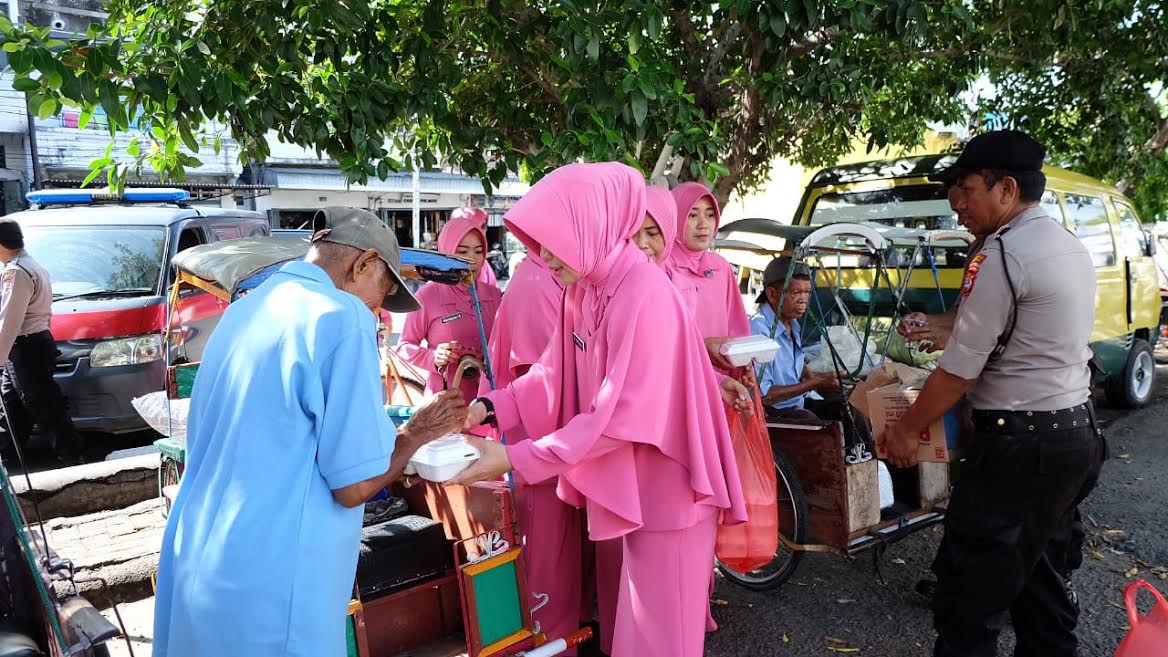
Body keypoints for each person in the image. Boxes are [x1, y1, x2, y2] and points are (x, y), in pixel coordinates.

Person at [450, 162, 747, 657]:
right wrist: (486, 406)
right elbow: (552, 377)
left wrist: (515, 457)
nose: (543, 254)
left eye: (553, 240)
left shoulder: (646, 294)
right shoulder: (585, 289)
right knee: (633, 638)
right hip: (637, 488)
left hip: (670, 494)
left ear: (592, 228)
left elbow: (619, 419)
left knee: (660, 642)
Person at [153, 208, 467, 657]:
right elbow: (355, 484)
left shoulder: (245, 309)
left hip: (200, 560)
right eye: (380, 295)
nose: (377, 311)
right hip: (271, 580)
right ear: (364, 263)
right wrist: (417, 432)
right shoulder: (341, 315)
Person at [881, 131, 1105, 657]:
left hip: (1020, 453)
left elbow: (959, 371)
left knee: (969, 604)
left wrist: (907, 430)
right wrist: (941, 326)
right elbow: (1005, 326)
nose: (956, 204)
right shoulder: (1064, 243)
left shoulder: (1003, 253)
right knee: (1039, 590)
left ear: (1006, 189)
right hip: (1073, 437)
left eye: (966, 189)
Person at [477, 211, 577, 651]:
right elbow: (538, 378)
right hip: (542, 444)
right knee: (546, 562)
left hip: (555, 443)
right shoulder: (538, 283)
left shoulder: (564, 280)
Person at [395, 207, 502, 402]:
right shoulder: (428, 296)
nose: (472, 259)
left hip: (487, 401)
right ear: (447, 250)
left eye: (479, 251)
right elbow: (404, 346)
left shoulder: (494, 296)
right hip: (445, 400)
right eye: (462, 251)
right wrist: (433, 357)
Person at [0, 219, 84, 465]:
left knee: (44, 406)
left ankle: (72, 458)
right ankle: (6, 458)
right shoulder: (30, 265)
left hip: (26, 346)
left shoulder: (16, 271)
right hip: (30, 344)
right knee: (12, 407)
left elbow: (9, 319)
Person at [669, 183, 751, 369]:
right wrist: (703, 347)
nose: (703, 225)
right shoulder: (663, 268)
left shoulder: (720, 267)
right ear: (675, 217)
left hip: (723, 375)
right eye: (692, 215)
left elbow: (737, 329)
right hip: (681, 373)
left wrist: (744, 365)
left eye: (710, 215)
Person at [750, 256, 841, 420]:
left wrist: (813, 377)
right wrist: (815, 383)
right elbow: (765, 396)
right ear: (772, 294)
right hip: (772, 412)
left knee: (848, 409)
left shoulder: (791, 323)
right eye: (796, 293)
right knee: (812, 423)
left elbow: (793, 363)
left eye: (807, 293)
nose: (803, 300)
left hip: (799, 401)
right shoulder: (759, 329)